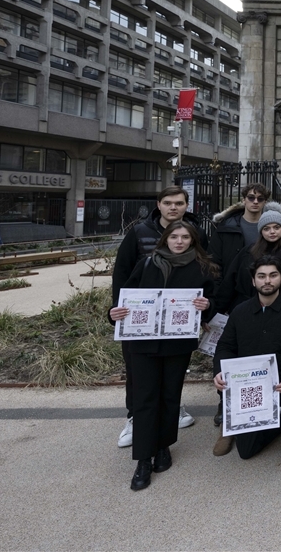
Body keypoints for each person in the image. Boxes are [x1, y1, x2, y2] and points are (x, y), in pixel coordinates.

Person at [108, 221, 217, 490]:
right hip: (142, 343)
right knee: (145, 398)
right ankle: (143, 458)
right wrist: (114, 314)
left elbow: (211, 306)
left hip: (177, 344)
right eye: (174, 237)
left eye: (185, 237)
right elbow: (125, 297)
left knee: (170, 396)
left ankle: (164, 446)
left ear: (193, 241)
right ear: (165, 239)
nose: (179, 241)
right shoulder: (147, 264)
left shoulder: (203, 268)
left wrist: (207, 306)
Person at [212, 257, 281, 481]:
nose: (267, 281)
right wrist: (219, 372)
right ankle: (279, 422)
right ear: (253, 281)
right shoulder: (240, 312)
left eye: (273, 275)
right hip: (249, 384)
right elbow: (225, 347)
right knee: (246, 451)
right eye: (261, 276)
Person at [112, 186, 201, 448]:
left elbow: (204, 271)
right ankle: (135, 417)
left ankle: (170, 415)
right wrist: (119, 311)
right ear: (159, 204)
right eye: (169, 203)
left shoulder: (196, 233)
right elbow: (122, 274)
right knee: (138, 372)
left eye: (179, 203)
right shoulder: (140, 232)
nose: (174, 207)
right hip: (141, 319)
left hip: (178, 321)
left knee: (173, 373)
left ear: (186, 205)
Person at [214, 202, 281, 314]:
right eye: (266, 228)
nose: (272, 232)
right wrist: (216, 311)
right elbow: (229, 283)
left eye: (276, 227)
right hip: (246, 310)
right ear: (261, 231)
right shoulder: (247, 252)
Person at [209, 183, 270, 287]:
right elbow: (214, 262)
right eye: (251, 198)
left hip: (265, 284)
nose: (255, 202)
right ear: (243, 200)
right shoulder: (226, 227)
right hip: (232, 286)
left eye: (260, 199)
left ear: (265, 202)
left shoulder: (273, 228)